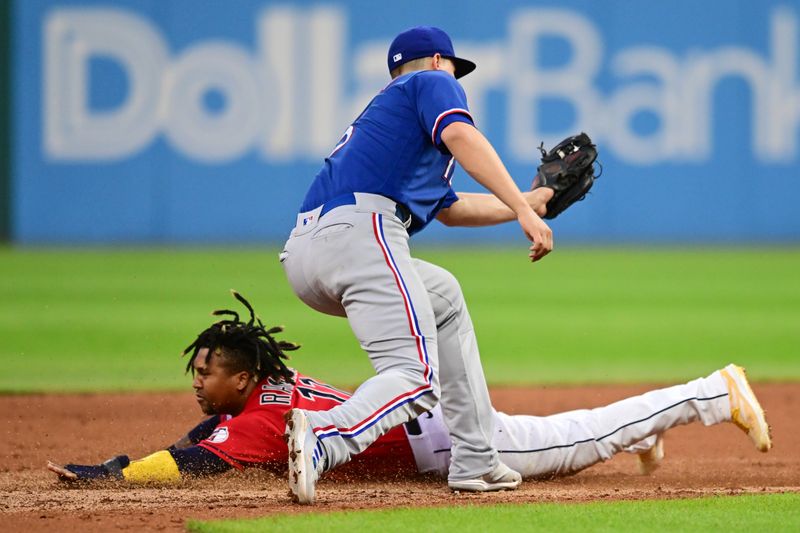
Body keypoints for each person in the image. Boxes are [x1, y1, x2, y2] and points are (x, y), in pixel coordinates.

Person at [47, 294, 772, 488]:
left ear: (243, 376)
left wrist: (105, 475)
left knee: (581, 436)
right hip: (432, 428)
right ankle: (647, 431)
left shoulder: (264, 419)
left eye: (208, 370)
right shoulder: (268, 392)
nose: (198, 380)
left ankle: (713, 391)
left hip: (452, 441)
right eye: (198, 369)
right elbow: (201, 441)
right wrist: (118, 463)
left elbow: (190, 461)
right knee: (579, 434)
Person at [279, 25, 555, 504]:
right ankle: (323, 438)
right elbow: (463, 136)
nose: (455, 78)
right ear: (433, 62)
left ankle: (476, 458)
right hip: (362, 233)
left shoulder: (394, 125)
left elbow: (450, 209)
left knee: (443, 295)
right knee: (413, 376)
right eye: (452, 67)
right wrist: (523, 207)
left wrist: (530, 203)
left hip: (309, 251)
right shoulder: (430, 83)